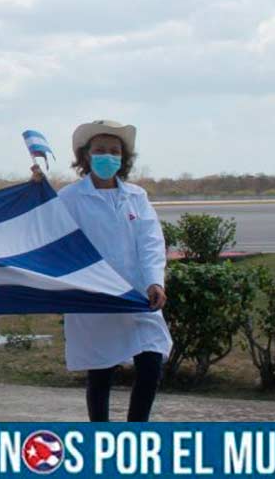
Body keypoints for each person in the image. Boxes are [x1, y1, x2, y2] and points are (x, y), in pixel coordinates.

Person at [37, 119, 171, 422]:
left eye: (114, 151)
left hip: (137, 296)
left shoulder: (137, 196)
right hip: (94, 296)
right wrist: (38, 192)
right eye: (100, 150)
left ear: (124, 158)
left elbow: (150, 242)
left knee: (151, 363)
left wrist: (154, 282)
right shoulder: (70, 198)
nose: (107, 156)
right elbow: (47, 230)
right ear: (86, 156)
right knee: (100, 373)